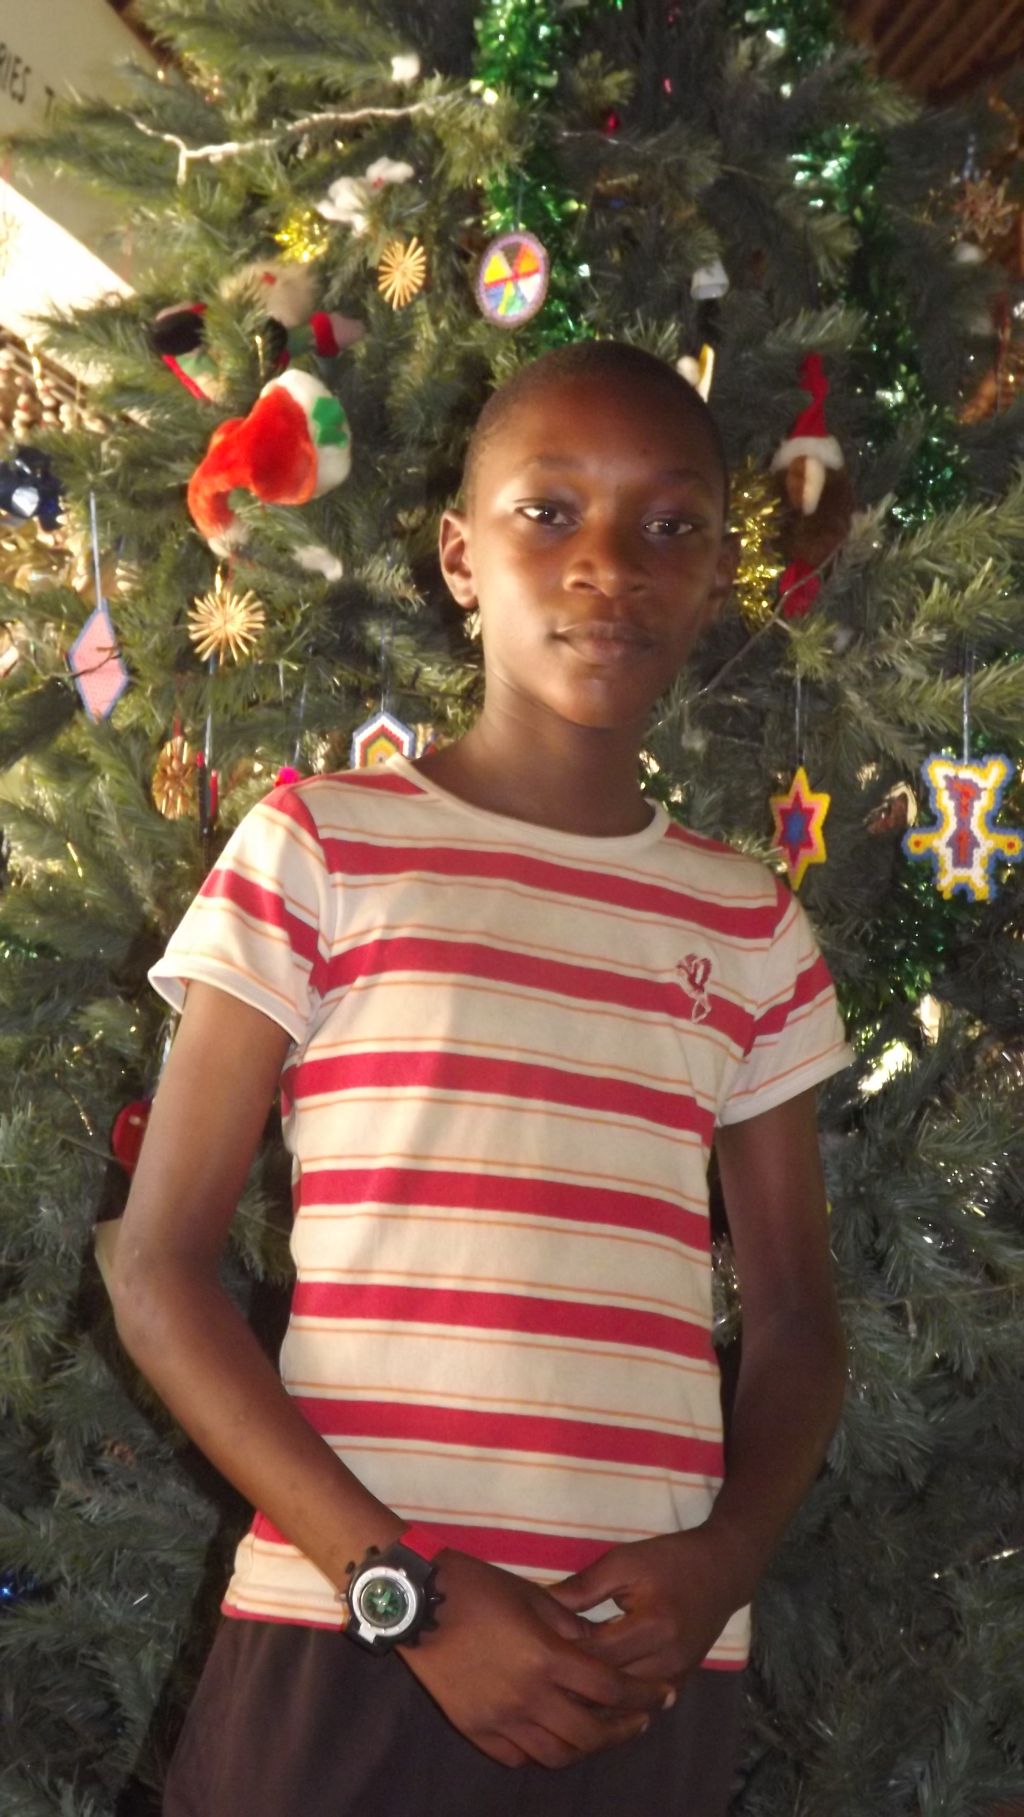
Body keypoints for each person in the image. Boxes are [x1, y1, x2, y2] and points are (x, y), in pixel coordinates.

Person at [112, 340, 852, 1816]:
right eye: (549, 511)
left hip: (637, 1666)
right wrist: (410, 1592)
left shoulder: (750, 922)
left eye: (669, 525)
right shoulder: (318, 848)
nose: (609, 565)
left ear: (717, 575)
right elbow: (156, 1272)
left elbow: (797, 1321)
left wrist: (723, 1563)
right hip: (346, 1635)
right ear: (460, 555)